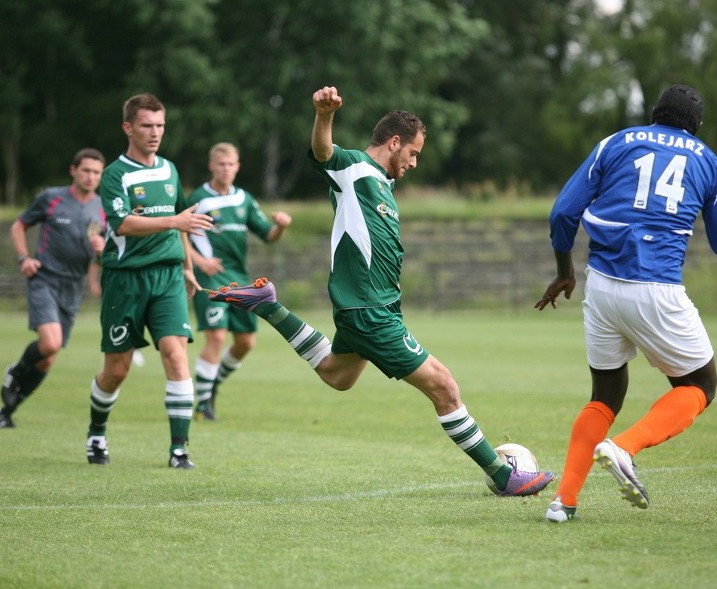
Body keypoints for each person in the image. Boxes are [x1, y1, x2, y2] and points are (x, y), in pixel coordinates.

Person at [206, 86, 555, 496]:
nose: (414, 162)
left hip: (372, 308)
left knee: (337, 376)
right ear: (394, 142)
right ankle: (503, 475)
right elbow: (323, 152)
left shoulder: (381, 186)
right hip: (370, 311)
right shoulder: (353, 168)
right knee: (444, 386)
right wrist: (324, 115)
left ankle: (269, 307)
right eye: (413, 152)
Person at [534, 84, 717, 522]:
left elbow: (562, 213)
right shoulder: (709, 163)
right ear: (696, 126)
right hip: (657, 288)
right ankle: (623, 448)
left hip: (603, 286)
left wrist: (564, 271)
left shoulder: (616, 143)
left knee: (606, 394)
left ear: (655, 114)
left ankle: (563, 502)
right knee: (701, 386)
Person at [85, 93, 213, 469]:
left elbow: (183, 220)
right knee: (117, 369)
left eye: (160, 125)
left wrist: (188, 266)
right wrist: (176, 223)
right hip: (125, 281)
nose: (155, 132)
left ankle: (179, 449)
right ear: (128, 127)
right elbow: (123, 224)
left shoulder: (169, 170)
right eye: (147, 125)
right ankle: (96, 432)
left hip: (168, 277)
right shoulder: (114, 175)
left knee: (175, 354)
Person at [0, 148, 107, 428]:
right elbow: (18, 226)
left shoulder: (103, 208)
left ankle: (7, 411)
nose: (91, 176)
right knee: (50, 343)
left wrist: (102, 250)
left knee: (47, 360)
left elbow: (105, 255)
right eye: (86, 170)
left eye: (96, 172)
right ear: (73, 171)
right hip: (44, 278)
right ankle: (15, 373)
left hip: (73, 286)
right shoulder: (51, 198)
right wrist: (23, 258)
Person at [188, 142, 292, 421]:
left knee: (246, 342)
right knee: (217, 336)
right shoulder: (199, 198)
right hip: (210, 278)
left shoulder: (244, 199)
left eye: (231, 164)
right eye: (221, 164)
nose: (226, 169)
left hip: (240, 281)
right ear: (212, 166)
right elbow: (179, 234)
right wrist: (199, 262)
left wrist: (281, 226)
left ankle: (211, 388)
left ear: (237, 167)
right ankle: (203, 405)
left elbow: (268, 236)